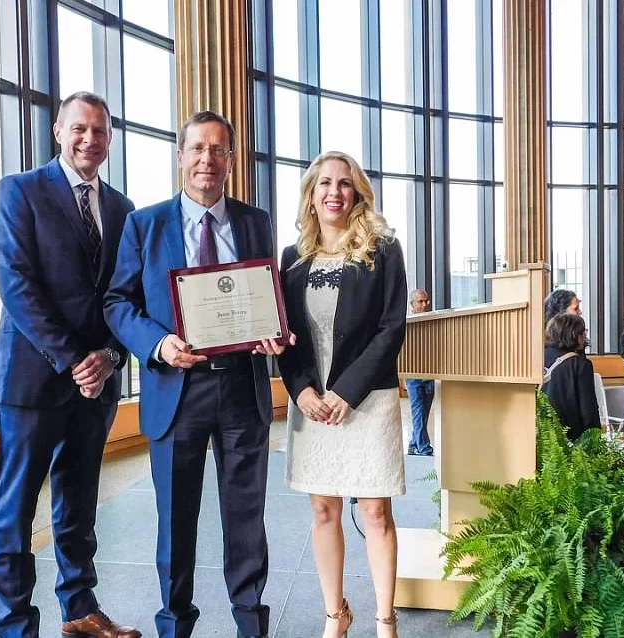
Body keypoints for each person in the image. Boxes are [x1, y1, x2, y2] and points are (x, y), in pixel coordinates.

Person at [104, 111, 283, 638]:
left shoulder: (255, 223)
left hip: (242, 387)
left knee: (246, 520)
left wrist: (274, 331)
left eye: (219, 150)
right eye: (198, 149)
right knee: (176, 523)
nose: (208, 159)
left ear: (232, 159)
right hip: (176, 390)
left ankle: (252, 626)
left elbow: (266, 299)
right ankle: (174, 625)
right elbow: (117, 303)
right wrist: (157, 344)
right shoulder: (145, 224)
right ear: (181, 157)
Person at [0, 92, 140, 638]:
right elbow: (18, 287)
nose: (88, 140)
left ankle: (79, 610)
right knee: (16, 513)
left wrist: (111, 356)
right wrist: (77, 358)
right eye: (79, 128)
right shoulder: (20, 192)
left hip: (94, 386)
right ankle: (15, 626)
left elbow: (128, 299)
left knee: (78, 506)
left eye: (99, 131)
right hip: (30, 382)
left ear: (110, 139)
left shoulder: (124, 210)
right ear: (58, 131)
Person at [278, 151, 408, 638]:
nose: (335, 192)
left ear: (357, 194)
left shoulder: (382, 248)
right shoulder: (293, 258)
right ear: (311, 194)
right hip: (312, 402)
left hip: (366, 400)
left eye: (345, 184)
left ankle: (384, 619)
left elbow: (391, 329)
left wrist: (347, 393)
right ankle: (336, 614)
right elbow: (282, 332)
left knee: (375, 511)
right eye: (325, 183)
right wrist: (302, 390)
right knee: (324, 509)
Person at [541, 313, 601, 440]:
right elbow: (588, 409)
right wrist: (594, 442)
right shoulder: (580, 364)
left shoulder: (538, 357)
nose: (585, 336)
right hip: (570, 436)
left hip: (542, 433)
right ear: (575, 335)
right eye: (583, 332)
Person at [405, 289, 434, 456]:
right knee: (417, 410)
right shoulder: (407, 324)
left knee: (424, 412)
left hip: (429, 374)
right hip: (414, 375)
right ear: (412, 305)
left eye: (426, 301)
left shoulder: (432, 322)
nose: (424, 305)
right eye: (420, 302)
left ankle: (413, 443)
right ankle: (424, 448)